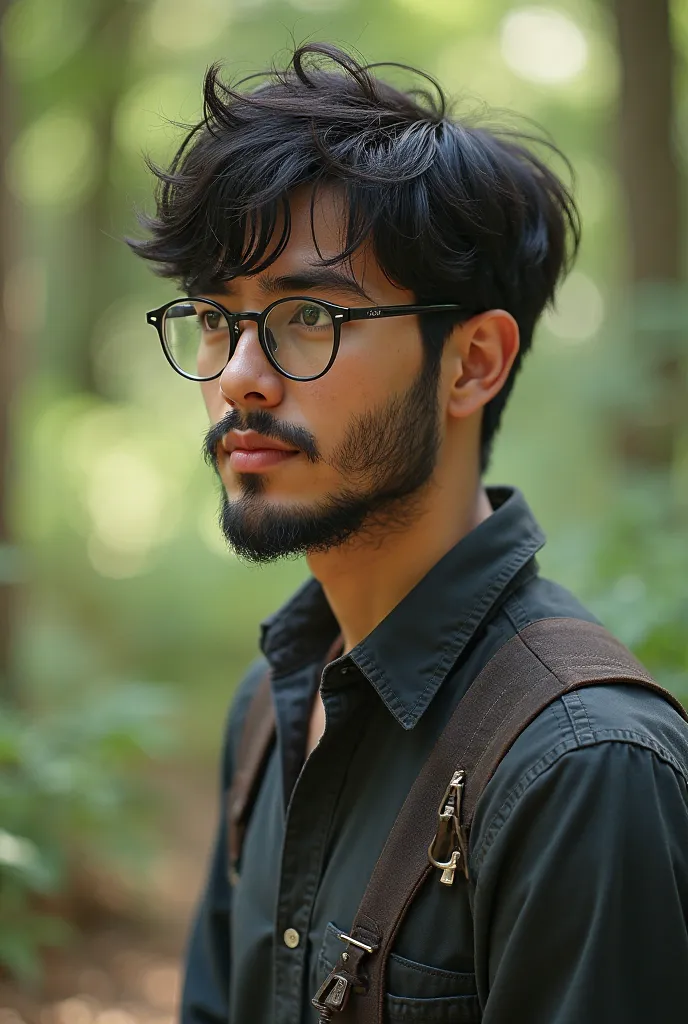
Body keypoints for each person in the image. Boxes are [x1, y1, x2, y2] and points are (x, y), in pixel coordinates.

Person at [130, 43, 688, 1024]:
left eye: (306, 315)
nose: (237, 377)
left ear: (471, 363)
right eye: (215, 320)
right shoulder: (270, 706)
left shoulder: (586, 772)